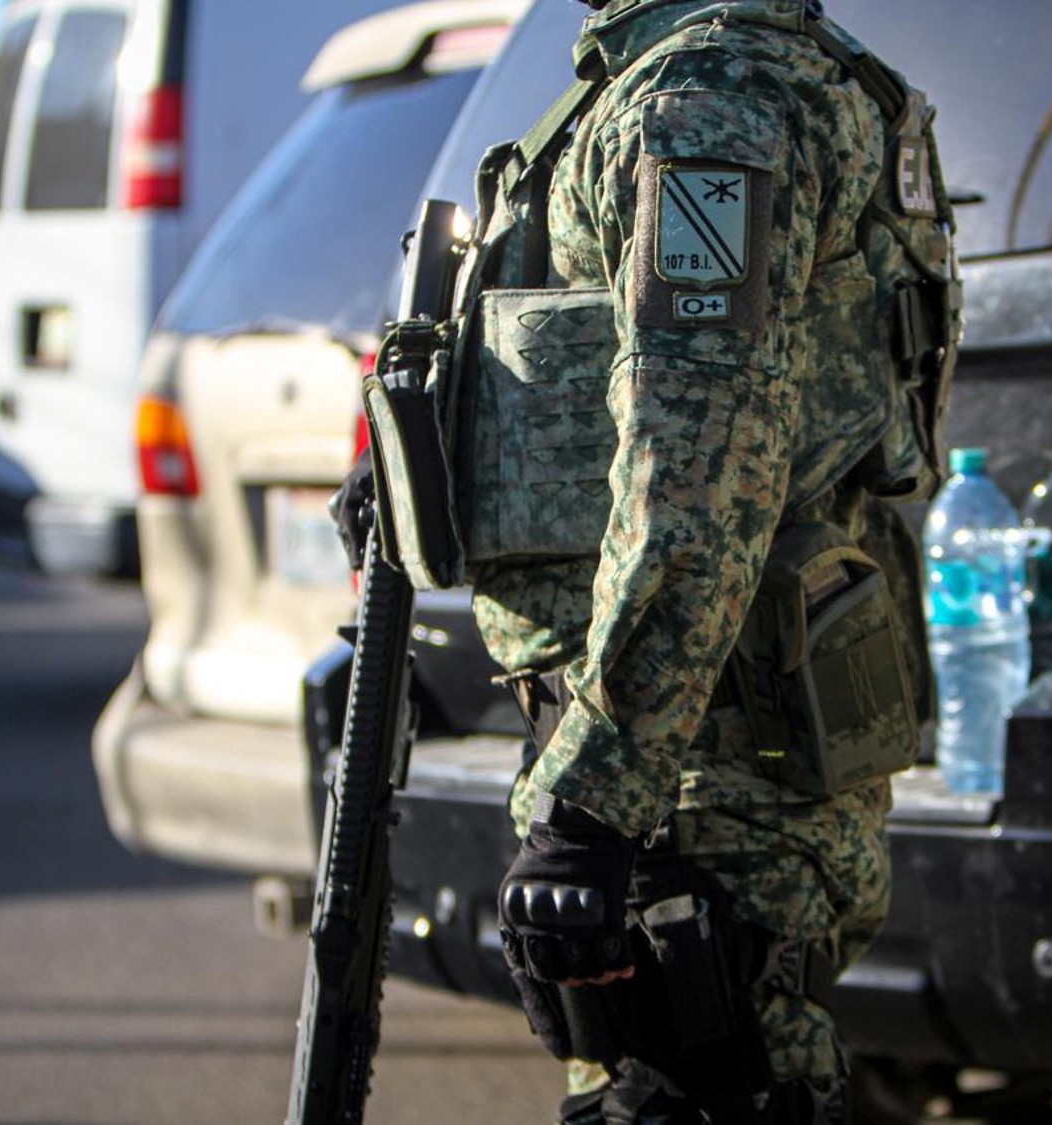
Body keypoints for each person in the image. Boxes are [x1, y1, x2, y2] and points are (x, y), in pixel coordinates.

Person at [344, 0, 958, 1119]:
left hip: (701, 762)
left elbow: (697, 476)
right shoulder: (705, 79)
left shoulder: (707, 102)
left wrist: (594, 805)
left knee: (705, 1092)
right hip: (690, 743)